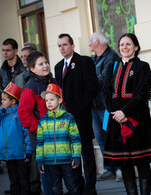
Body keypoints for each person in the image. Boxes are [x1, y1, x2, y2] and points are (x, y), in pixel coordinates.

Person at [102, 33, 151, 195]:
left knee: (141, 162)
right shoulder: (111, 66)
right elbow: (105, 91)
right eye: (121, 44)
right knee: (124, 162)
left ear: (136, 47)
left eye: (128, 44)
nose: (124, 47)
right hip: (116, 119)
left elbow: (142, 94)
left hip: (136, 119)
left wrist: (124, 112)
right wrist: (115, 112)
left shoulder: (142, 67)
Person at [55, 33, 98, 195]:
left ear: (72, 46)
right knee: (71, 152)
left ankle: (90, 186)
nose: (62, 48)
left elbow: (92, 87)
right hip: (65, 117)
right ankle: (77, 185)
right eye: (59, 46)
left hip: (81, 115)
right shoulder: (58, 66)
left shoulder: (84, 61)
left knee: (86, 152)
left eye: (65, 45)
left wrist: (82, 106)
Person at [18, 51, 57, 195]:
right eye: (41, 64)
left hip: (58, 136)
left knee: (58, 174)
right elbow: (24, 114)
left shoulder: (53, 82)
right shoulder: (30, 87)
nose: (46, 65)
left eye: (46, 62)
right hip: (42, 139)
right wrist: (40, 128)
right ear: (32, 69)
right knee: (47, 175)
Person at [37, 83, 81, 195]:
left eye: (52, 99)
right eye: (47, 100)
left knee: (72, 186)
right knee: (56, 188)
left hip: (67, 160)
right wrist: (39, 159)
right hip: (50, 161)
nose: (49, 102)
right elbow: (40, 142)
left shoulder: (68, 118)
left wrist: (76, 156)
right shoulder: (43, 121)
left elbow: (75, 139)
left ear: (60, 100)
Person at [89, 32, 122, 182]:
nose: (89, 43)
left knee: (111, 136)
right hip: (94, 105)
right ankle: (109, 168)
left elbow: (103, 80)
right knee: (101, 139)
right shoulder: (92, 59)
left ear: (99, 42)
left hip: (106, 105)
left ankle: (120, 168)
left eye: (91, 40)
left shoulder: (112, 57)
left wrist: (86, 83)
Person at [0, 82, 33, 194]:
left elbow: (27, 133)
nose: (1, 102)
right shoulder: (3, 115)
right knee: (13, 180)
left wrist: (28, 150)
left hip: (20, 155)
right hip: (8, 155)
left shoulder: (19, 114)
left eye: (4, 100)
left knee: (23, 180)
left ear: (13, 101)